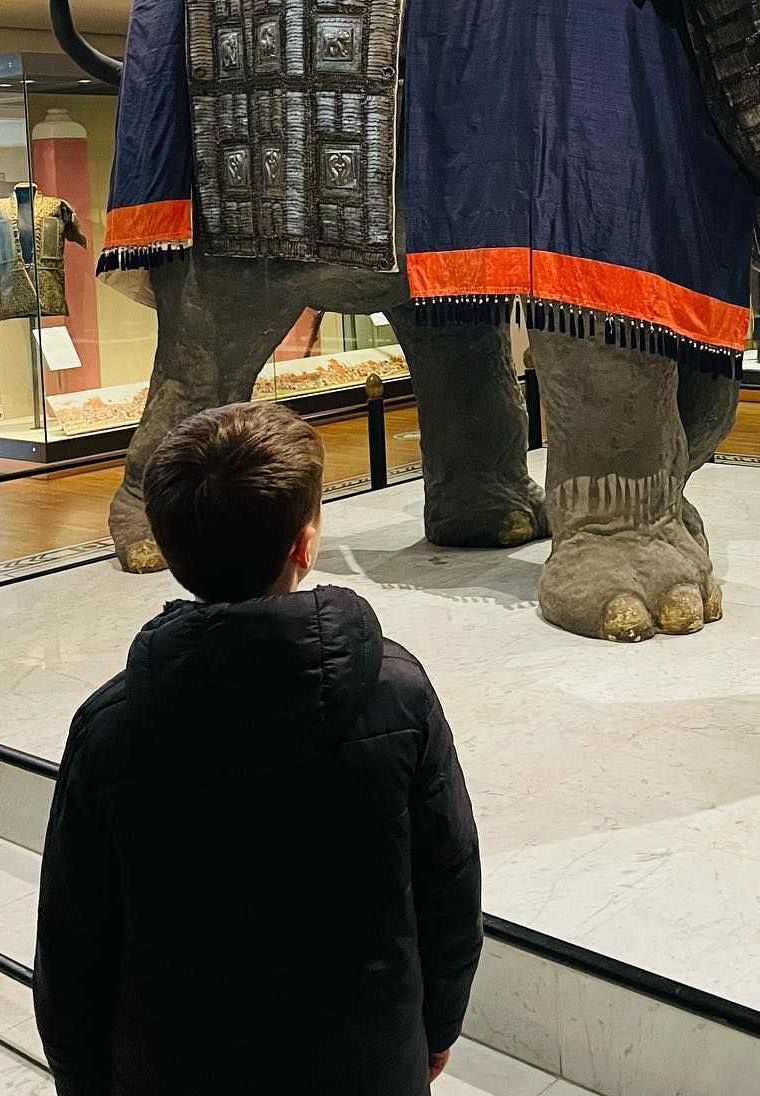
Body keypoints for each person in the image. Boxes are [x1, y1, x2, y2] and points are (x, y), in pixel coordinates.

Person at [34, 403, 482, 1096]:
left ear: (172, 554)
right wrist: (438, 1026)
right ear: (305, 546)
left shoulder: (109, 726)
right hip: (365, 1062)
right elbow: (450, 882)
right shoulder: (398, 694)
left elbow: (72, 941)